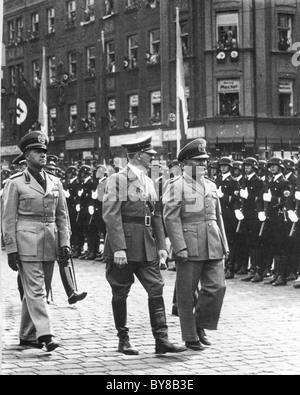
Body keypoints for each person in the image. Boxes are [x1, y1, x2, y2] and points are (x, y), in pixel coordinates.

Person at [102, 135, 186, 356]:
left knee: (156, 287)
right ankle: (124, 339)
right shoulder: (118, 180)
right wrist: (119, 247)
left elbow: (155, 216)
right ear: (138, 155)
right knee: (121, 291)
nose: (153, 159)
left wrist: (160, 246)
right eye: (150, 155)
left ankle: (162, 340)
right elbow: (111, 215)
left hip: (147, 244)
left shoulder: (149, 181)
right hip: (125, 245)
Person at [2, 131, 71, 352]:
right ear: (26, 156)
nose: (43, 155)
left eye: (44, 151)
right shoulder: (15, 183)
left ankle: (27, 334)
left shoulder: (55, 182)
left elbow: (62, 216)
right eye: (37, 152)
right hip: (26, 242)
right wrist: (11, 248)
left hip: (50, 240)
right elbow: (8, 218)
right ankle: (46, 334)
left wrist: (65, 242)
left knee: (40, 290)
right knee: (36, 290)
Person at [163, 138, 228, 351]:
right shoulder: (176, 185)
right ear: (185, 163)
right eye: (199, 161)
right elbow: (171, 218)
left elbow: (218, 216)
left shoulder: (211, 185)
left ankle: (200, 324)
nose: (204, 164)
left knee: (217, 287)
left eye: (205, 161)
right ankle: (190, 336)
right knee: (186, 292)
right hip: (189, 242)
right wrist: (179, 246)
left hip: (212, 241)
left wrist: (224, 244)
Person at [257, 157, 292, 286]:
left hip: (279, 218)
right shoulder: (268, 182)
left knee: (281, 247)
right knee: (274, 247)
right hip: (269, 218)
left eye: (275, 166)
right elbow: (261, 198)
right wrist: (260, 210)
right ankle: (276, 273)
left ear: (280, 167)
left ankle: (282, 276)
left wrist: (272, 199)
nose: (272, 168)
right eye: (270, 166)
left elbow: (286, 200)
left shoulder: (284, 182)